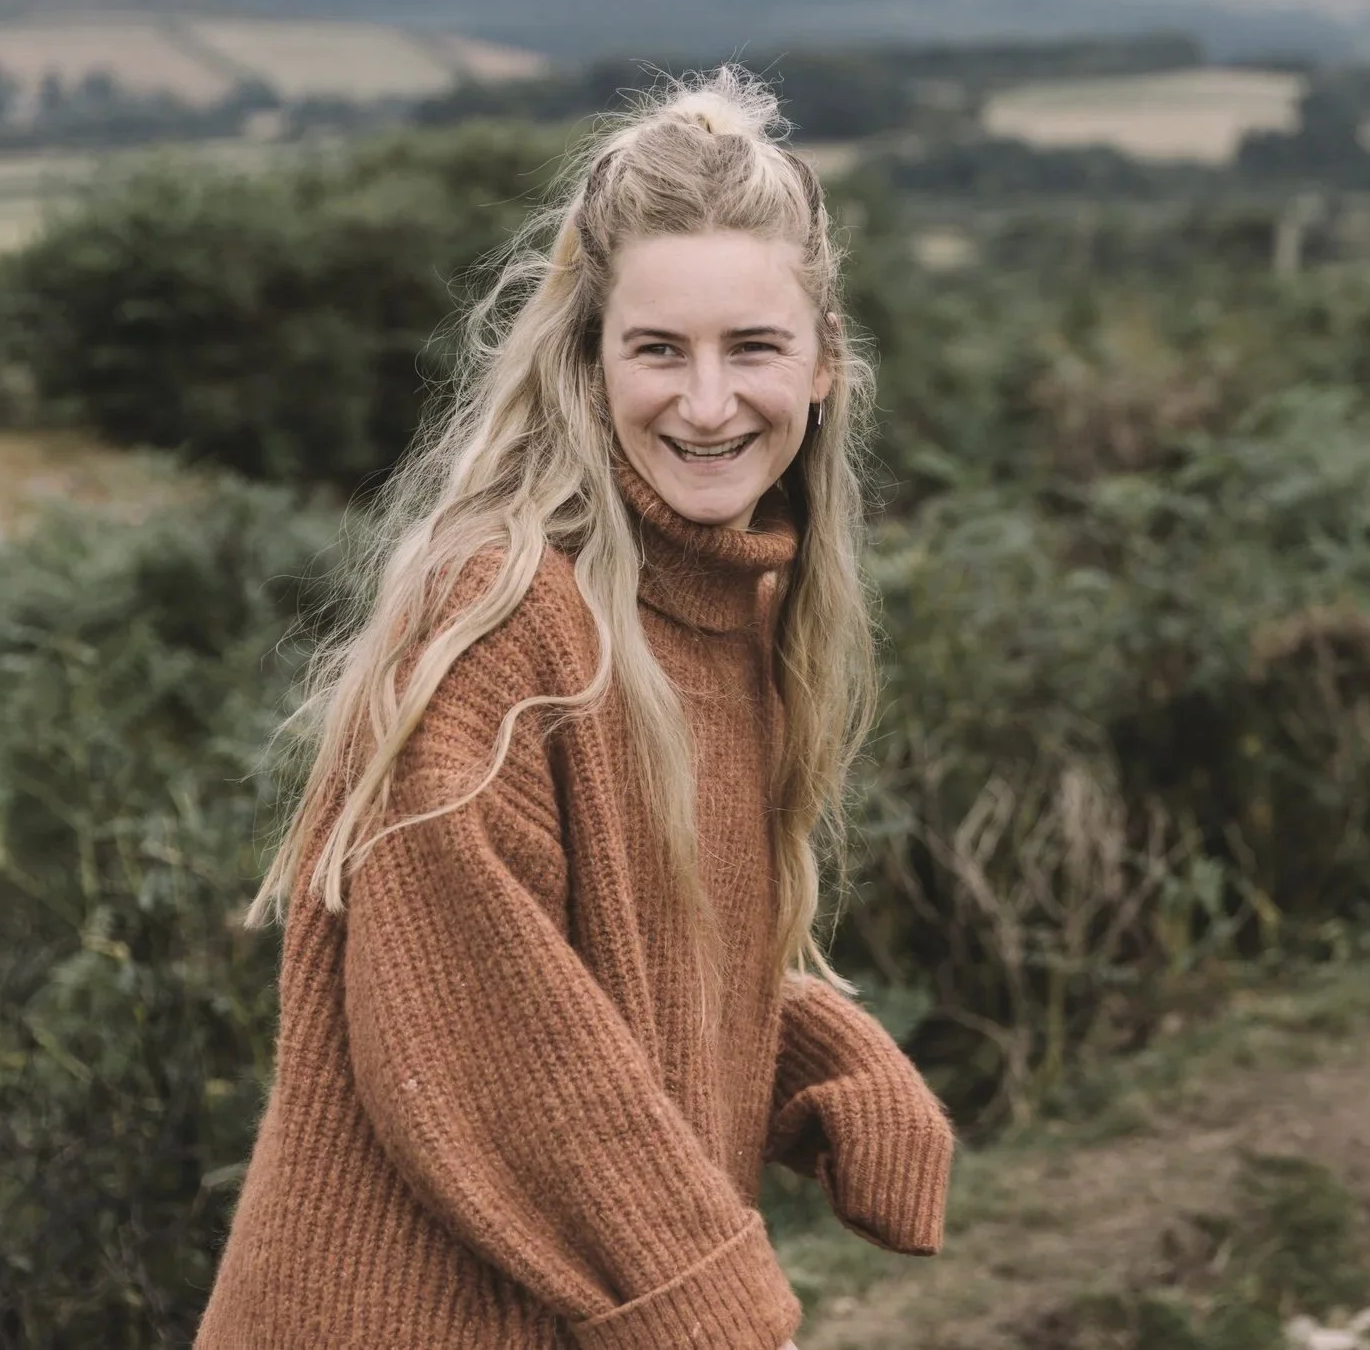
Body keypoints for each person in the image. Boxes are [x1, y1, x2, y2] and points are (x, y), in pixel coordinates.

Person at [198, 69, 954, 1350]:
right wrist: (713, 1301)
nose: (705, 403)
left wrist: (808, 1047)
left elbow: (624, 946)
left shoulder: (738, 607)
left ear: (825, 362)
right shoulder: (502, 612)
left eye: (752, 347)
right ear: (589, 362)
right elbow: (479, 1022)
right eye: (657, 349)